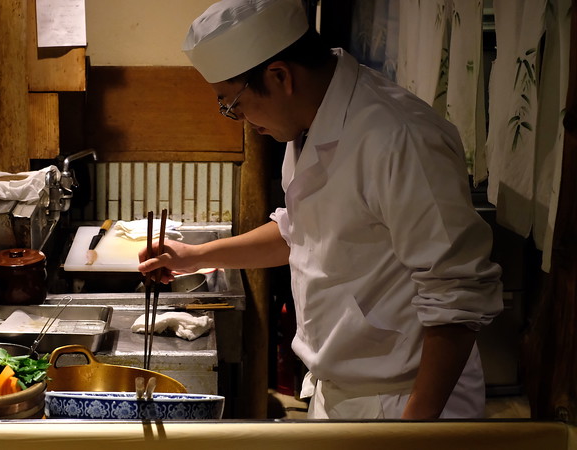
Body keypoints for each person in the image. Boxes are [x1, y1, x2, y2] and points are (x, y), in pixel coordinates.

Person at [138, 0, 504, 420]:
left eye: (233, 103)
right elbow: (300, 232)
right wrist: (196, 257)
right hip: (339, 392)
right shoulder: (309, 124)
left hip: (408, 402)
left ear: (280, 76)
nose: (237, 118)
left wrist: (414, 431)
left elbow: (456, 294)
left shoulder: (399, 138)